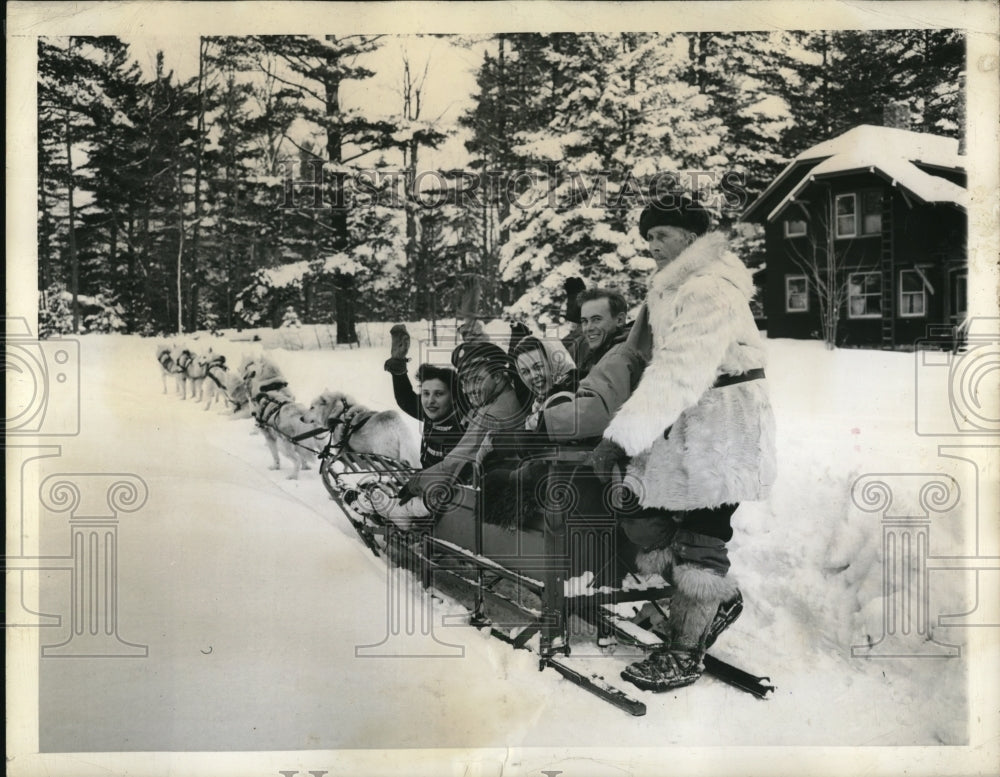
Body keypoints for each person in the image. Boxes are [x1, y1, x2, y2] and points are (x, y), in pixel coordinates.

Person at [587, 194, 776, 692]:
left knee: (701, 534)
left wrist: (620, 437)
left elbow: (678, 368)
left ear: (691, 238)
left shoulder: (709, 287)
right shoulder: (672, 289)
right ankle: (715, 603)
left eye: (662, 235)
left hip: (722, 426)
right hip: (690, 420)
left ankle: (683, 653)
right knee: (653, 520)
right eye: (647, 237)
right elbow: (640, 355)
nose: (651, 246)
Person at [362, 341, 530, 528]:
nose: (469, 389)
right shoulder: (493, 400)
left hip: (469, 490)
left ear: (498, 376)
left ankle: (403, 513)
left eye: (476, 379)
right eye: (465, 381)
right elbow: (412, 403)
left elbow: (455, 464)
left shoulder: (492, 415)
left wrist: (416, 482)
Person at [383, 324, 465, 469]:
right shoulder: (433, 412)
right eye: (425, 393)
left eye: (439, 394)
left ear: (453, 397)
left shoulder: (464, 422)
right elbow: (405, 398)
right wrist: (398, 361)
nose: (430, 401)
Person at [509, 335, 579, 431]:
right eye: (525, 372)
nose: (533, 375)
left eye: (538, 367)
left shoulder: (562, 400)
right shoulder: (541, 401)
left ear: (554, 363)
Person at [575, 288, 629, 378]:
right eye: (584, 321)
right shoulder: (597, 350)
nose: (588, 328)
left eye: (596, 319)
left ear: (619, 320)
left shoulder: (620, 356)